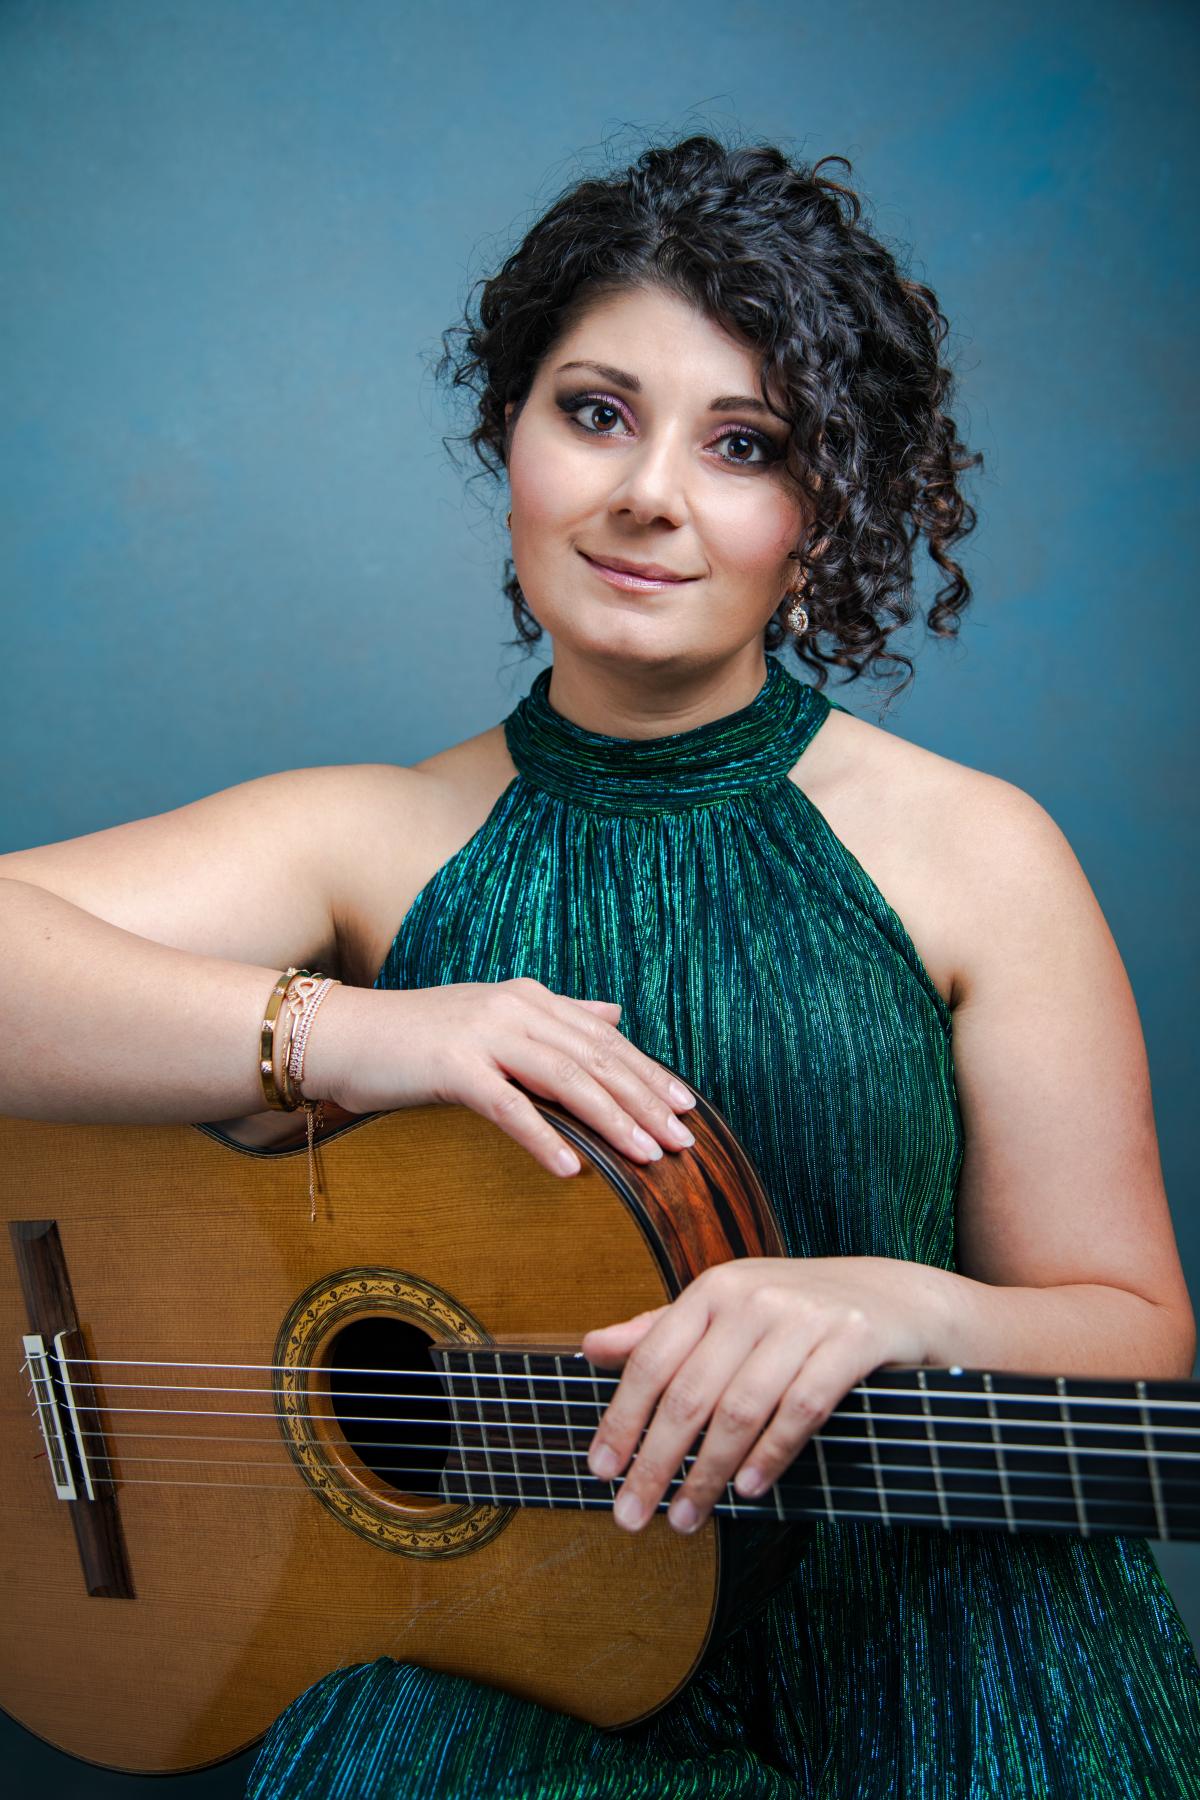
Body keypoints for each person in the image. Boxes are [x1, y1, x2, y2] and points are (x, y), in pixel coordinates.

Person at [4, 135, 1198, 1798]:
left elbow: (1139, 1335)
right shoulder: (374, 839)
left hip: (935, 1656)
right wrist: (349, 1033)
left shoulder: (980, 852)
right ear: (511, 435)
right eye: (596, 411)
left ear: (823, 507)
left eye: (744, 444)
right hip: (508, 1663)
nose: (650, 493)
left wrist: (898, 1306)